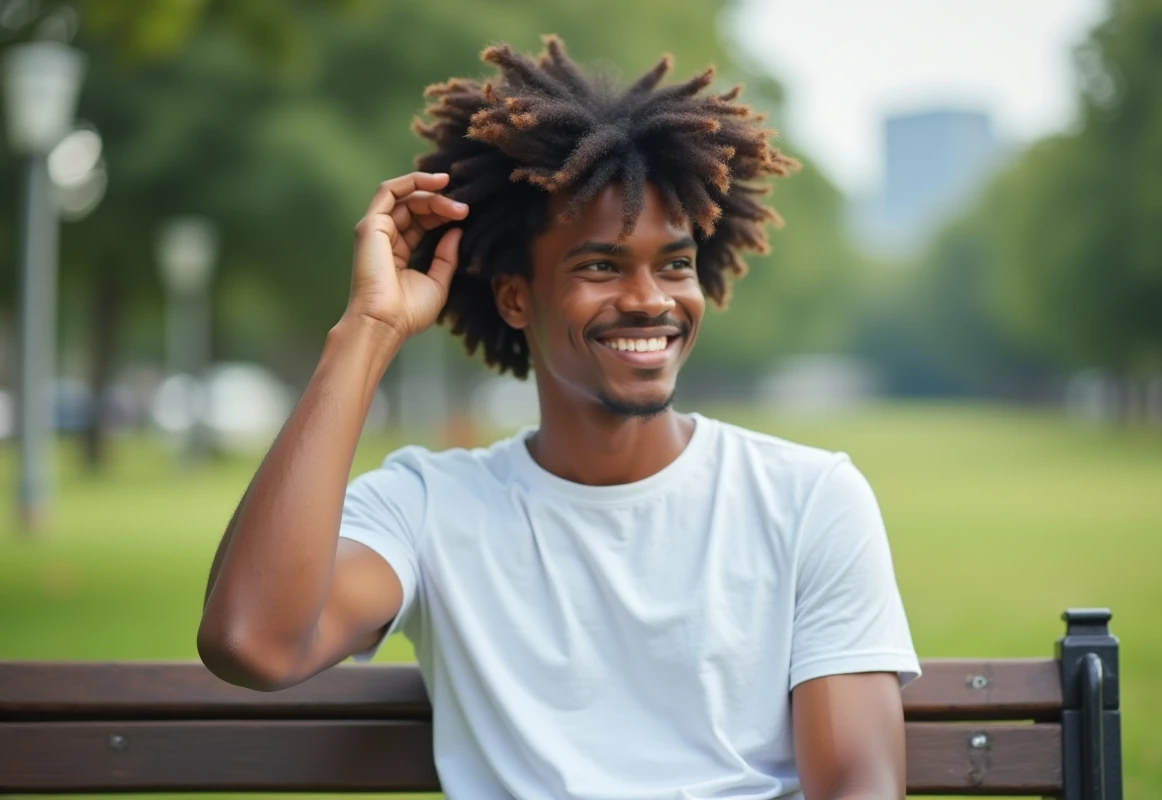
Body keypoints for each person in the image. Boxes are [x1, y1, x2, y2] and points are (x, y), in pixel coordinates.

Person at [198, 36, 920, 800]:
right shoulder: (427, 508)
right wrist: (367, 332)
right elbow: (253, 642)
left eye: (675, 264)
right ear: (516, 298)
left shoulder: (809, 500)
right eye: (601, 265)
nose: (650, 299)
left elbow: (856, 786)